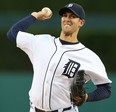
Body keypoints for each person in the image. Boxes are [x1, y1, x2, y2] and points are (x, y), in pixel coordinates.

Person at [7, 3, 112, 112]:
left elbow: (105, 89)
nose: (67, 19)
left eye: (73, 16)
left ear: (81, 22)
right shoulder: (42, 42)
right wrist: (36, 15)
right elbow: (13, 33)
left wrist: (86, 97)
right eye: (65, 15)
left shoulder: (89, 56)